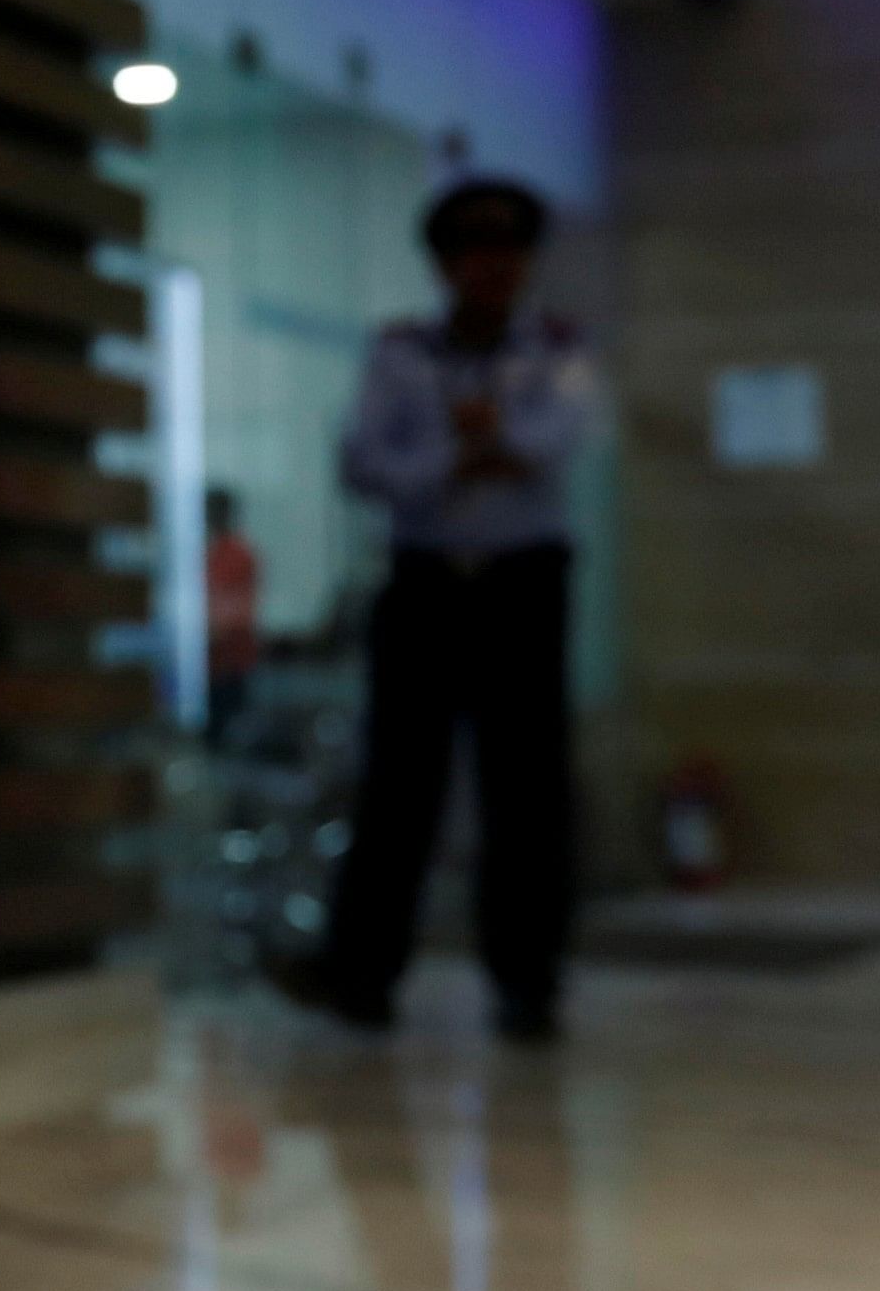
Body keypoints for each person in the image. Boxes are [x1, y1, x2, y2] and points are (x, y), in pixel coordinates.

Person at [313, 177, 600, 1041]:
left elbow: (555, 443)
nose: (492, 268)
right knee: (401, 779)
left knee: (528, 785)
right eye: (473, 252)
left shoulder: (556, 348)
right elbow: (363, 461)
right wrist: (461, 452)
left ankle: (528, 983)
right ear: (443, 264)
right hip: (427, 580)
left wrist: (488, 446)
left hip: (521, 582)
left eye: (507, 251)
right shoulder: (400, 352)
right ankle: (362, 975)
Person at [203, 487, 262, 744]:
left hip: (230, 660)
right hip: (211, 662)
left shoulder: (238, 555)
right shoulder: (209, 553)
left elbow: (234, 608)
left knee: (228, 735)